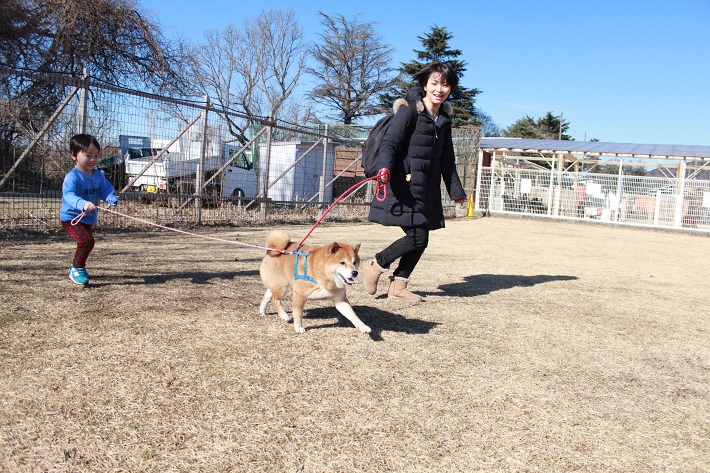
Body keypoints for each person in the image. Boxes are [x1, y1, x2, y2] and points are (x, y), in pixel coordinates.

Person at [363, 62, 467, 302]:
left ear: (450, 89)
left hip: (427, 188)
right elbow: (390, 143)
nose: (439, 89)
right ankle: (376, 265)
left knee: (422, 239)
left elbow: (447, 159)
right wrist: (384, 168)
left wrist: (456, 190)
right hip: (402, 183)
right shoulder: (409, 111)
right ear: (424, 85)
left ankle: (399, 285)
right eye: (435, 83)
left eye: (445, 84)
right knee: (417, 237)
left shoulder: (444, 120)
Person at [60, 134, 118, 285]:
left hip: (88, 219)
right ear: (74, 155)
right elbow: (69, 195)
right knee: (86, 241)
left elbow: (105, 189)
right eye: (88, 155)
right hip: (71, 218)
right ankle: (77, 268)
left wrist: (110, 197)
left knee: (86, 242)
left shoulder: (98, 175)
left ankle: (77, 266)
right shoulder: (72, 177)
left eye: (96, 156)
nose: (93, 160)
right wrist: (83, 204)